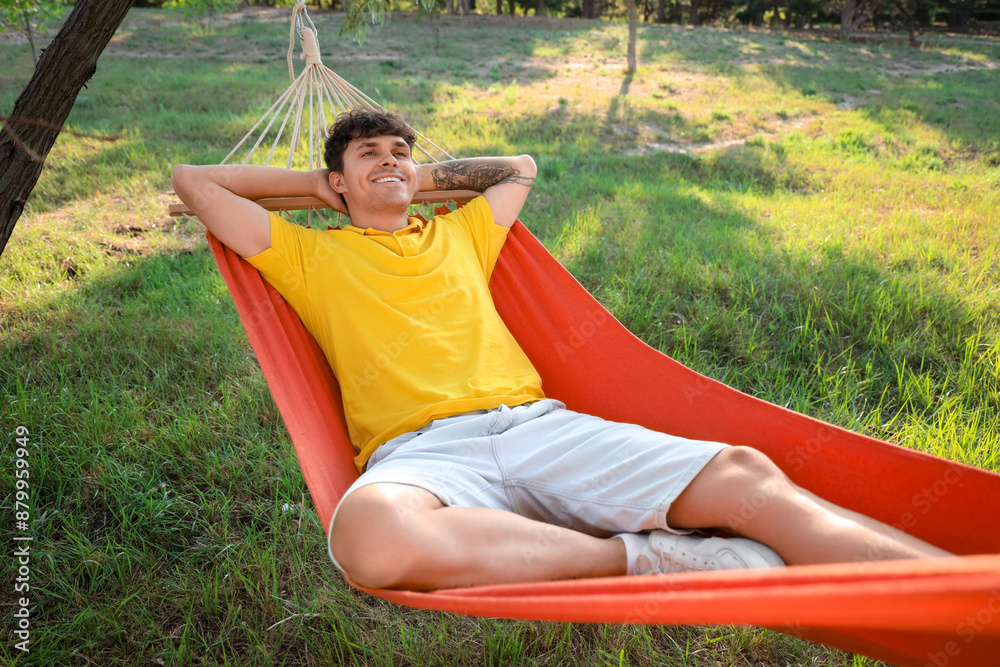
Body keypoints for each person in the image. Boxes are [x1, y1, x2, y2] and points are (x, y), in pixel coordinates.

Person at [172, 110, 952, 592]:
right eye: (369, 153)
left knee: (743, 475)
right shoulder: (309, 256)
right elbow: (195, 182)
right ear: (332, 183)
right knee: (367, 539)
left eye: (401, 151)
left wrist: (397, 178)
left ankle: (959, 594)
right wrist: (325, 187)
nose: (392, 161)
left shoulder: (461, 232)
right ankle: (638, 560)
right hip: (423, 451)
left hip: (532, 423)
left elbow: (520, 169)